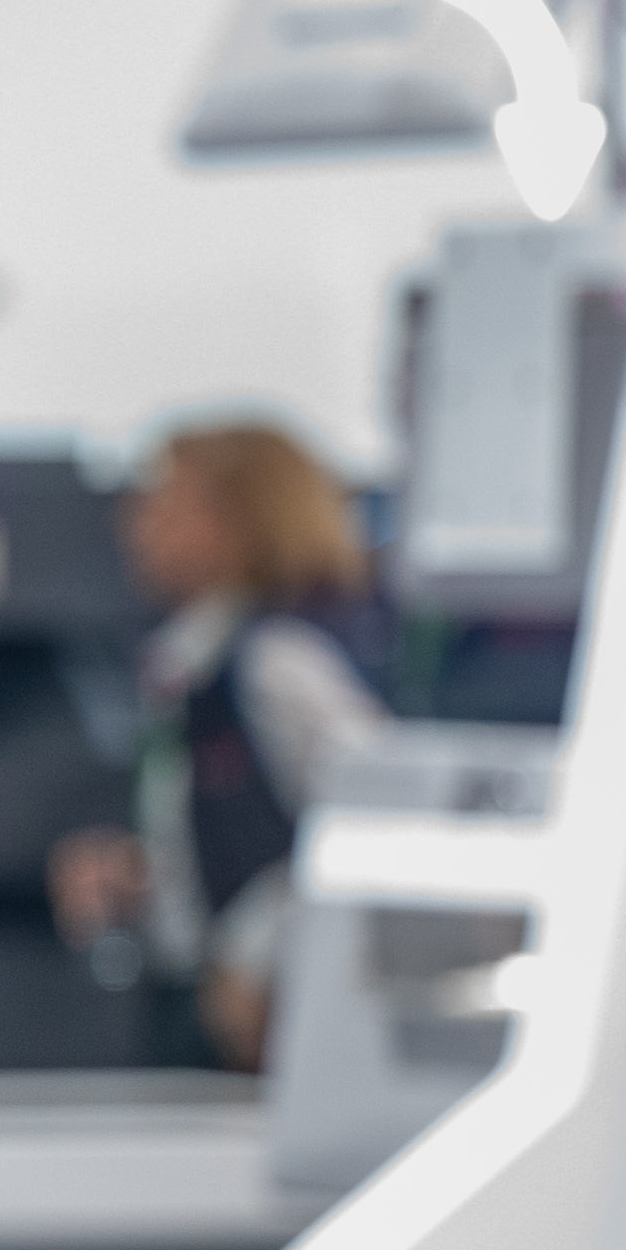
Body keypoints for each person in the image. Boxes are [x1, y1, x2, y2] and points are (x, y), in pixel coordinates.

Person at [49, 419, 389, 1072]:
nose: (135, 524)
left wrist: (255, 950)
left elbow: (376, 824)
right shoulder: (189, 667)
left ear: (234, 520)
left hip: (267, 1022)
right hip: (190, 1007)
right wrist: (147, 880)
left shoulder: (277, 662)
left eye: (163, 503)